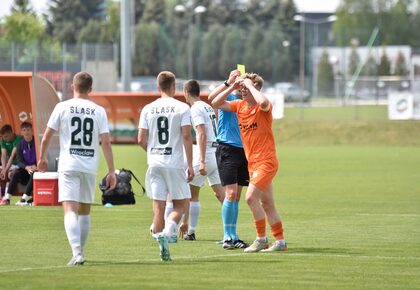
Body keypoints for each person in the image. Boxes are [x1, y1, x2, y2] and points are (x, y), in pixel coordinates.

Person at [37, 72, 117, 266]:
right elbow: (105, 143)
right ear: (90, 89)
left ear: (72, 86)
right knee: (85, 211)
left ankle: (77, 252)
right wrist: (111, 170)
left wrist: (41, 158)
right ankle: (79, 252)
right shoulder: (98, 111)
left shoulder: (62, 107)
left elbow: (47, 136)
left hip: (69, 164)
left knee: (69, 209)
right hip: (89, 165)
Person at [211, 72, 287, 252]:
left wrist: (250, 85)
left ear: (256, 88)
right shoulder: (239, 106)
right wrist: (233, 86)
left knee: (250, 197)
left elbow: (263, 103)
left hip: (266, 161)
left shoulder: (262, 107)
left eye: (246, 88)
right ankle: (281, 242)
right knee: (267, 204)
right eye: (243, 88)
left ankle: (261, 239)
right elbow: (215, 103)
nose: (243, 91)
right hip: (252, 163)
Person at [138, 71, 194, 262]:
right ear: (173, 86)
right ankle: (169, 230)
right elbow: (187, 136)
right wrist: (190, 164)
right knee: (181, 203)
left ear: (158, 86)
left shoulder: (148, 108)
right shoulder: (182, 108)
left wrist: (152, 152)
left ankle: (163, 249)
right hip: (174, 162)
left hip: (154, 163)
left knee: (158, 207)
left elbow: (140, 139)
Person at [208, 70, 249, 250]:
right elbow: (212, 98)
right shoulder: (230, 96)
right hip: (227, 149)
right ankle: (227, 236)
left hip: (244, 151)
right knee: (230, 194)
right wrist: (229, 83)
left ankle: (234, 235)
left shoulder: (248, 101)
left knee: (237, 196)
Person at [180, 79, 225, 241]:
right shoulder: (207, 106)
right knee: (222, 196)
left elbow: (201, 133)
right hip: (217, 151)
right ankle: (230, 233)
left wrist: (202, 162)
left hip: (205, 153)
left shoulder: (195, 109)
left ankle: (188, 230)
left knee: (189, 193)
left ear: (186, 93)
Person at [0, 122, 36, 206]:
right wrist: (26, 167)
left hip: (35, 169)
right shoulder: (20, 144)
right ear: (21, 132)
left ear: (32, 131)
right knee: (15, 174)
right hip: (25, 169)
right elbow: (19, 161)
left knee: (33, 173)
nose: (26, 132)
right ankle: (7, 198)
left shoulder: (36, 142)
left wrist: (36, 166)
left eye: (28, 130)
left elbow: (41, 157)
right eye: (24, 130)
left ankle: (24, 199)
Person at [0, 124, 21, 198]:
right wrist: (3, 169)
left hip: (18, 164)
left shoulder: (18, 139)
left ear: (11, 133)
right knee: (1, 173)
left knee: (10, 174)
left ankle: (6, 197)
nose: (4, 139)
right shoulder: (2, 140)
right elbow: (3, 155)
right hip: (9, 165)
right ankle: (1, 196)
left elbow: (12, 156)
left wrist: (5, 170)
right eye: (3, 137)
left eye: (6, 136)